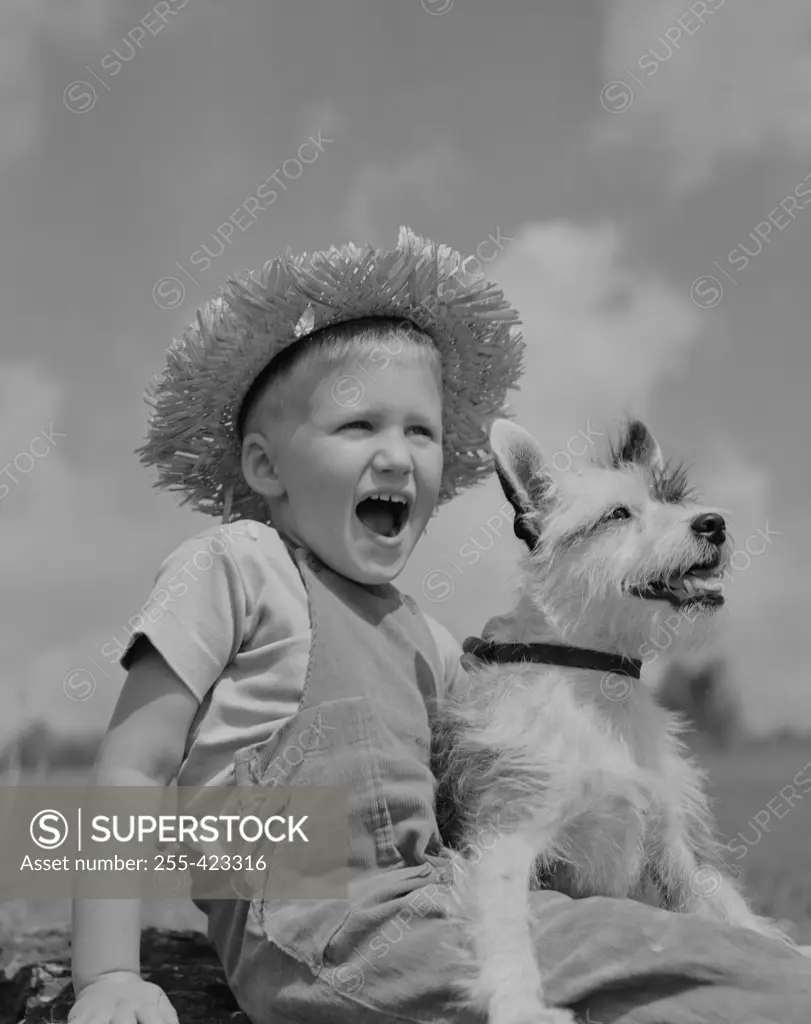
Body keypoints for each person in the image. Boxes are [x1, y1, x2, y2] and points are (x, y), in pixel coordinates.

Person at [69, 227, 811, 1024]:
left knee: (683, 964)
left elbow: (510, 786)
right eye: (359, 427)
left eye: (419, 431)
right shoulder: (238, 566)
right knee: (727, 974)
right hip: (323, 931)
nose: (397, 455)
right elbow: (133, 769)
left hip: (442, 916)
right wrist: (107, 974)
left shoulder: (425, 635)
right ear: (265, 466)